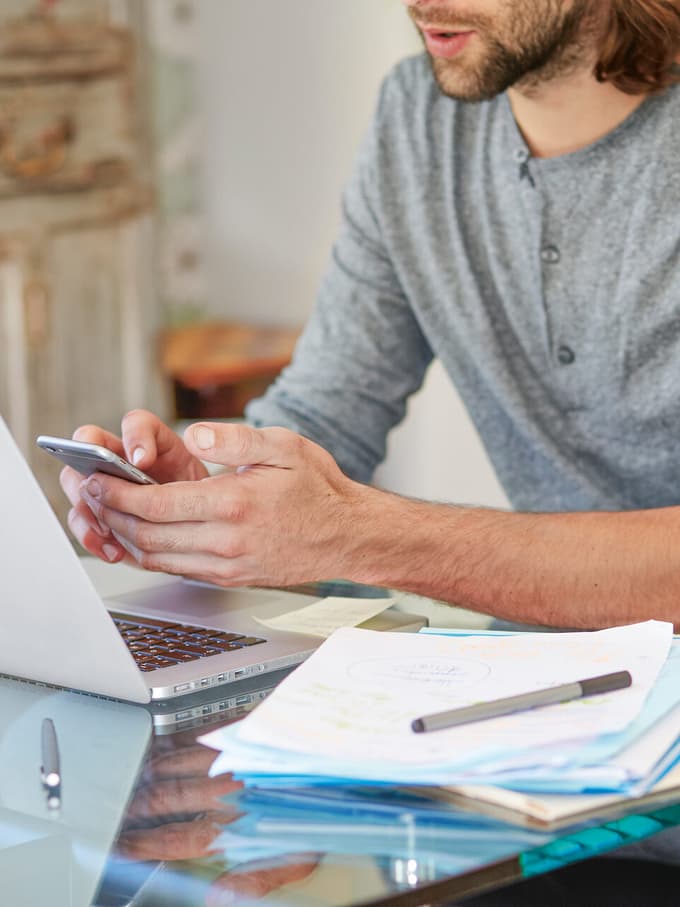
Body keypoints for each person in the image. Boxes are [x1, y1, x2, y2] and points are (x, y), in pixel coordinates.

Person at [61, 0, 680, 632]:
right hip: (558, 680)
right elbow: (329, 415)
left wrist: (369, 537)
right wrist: (213, 501)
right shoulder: (420, 118)